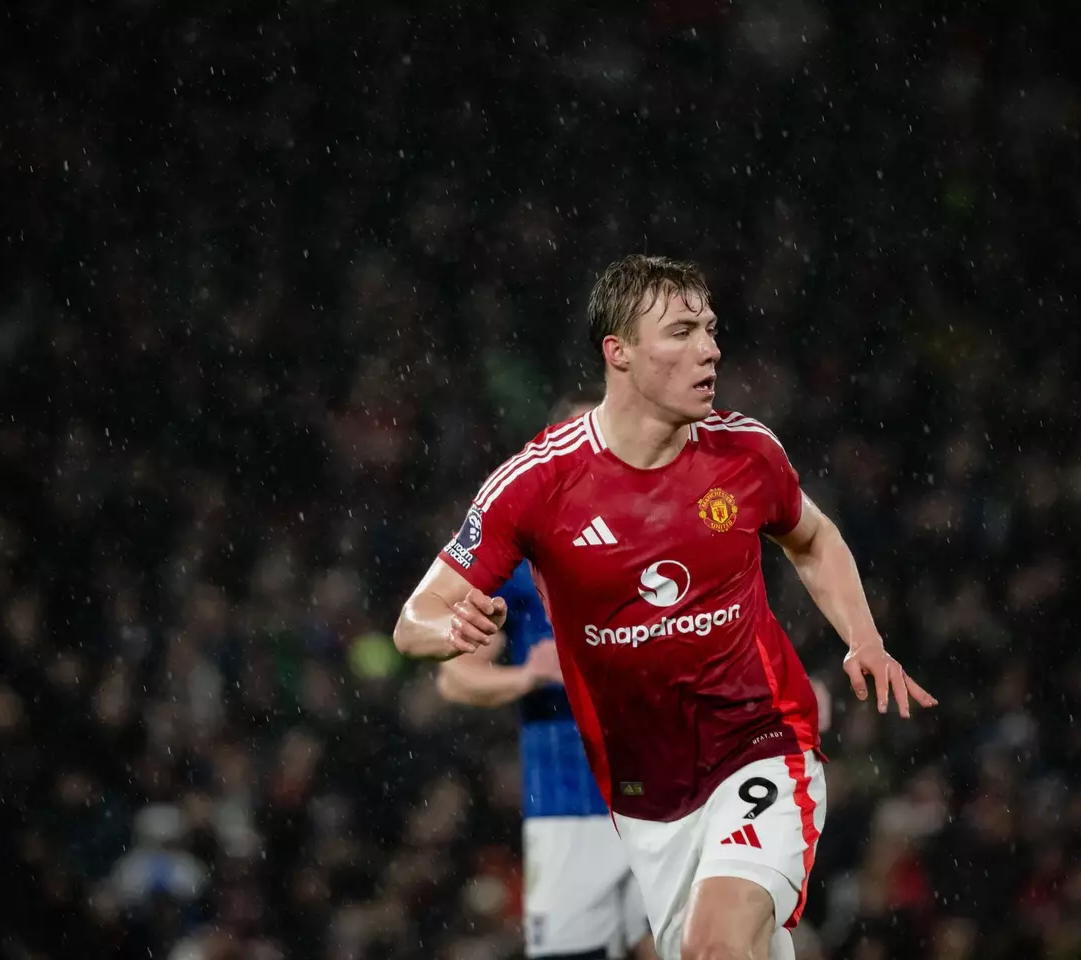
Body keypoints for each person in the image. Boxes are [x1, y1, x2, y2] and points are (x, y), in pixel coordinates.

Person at [394, 254, 937, 960]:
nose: (709, 348)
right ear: (617, 354)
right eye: (681, 332)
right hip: (644, 795)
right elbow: (414, 622)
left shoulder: (745, 454)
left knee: (718, 944)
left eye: (710, 329)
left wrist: (864, 640)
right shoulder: (536, 485)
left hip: (761, 743)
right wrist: (451, 625)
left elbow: (813, 537)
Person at [436, 392, 657, 960]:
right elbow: (456, 679)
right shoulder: (515, 568)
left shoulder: (657, 553)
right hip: (568, 807)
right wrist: (529, 678)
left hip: (666, 799)